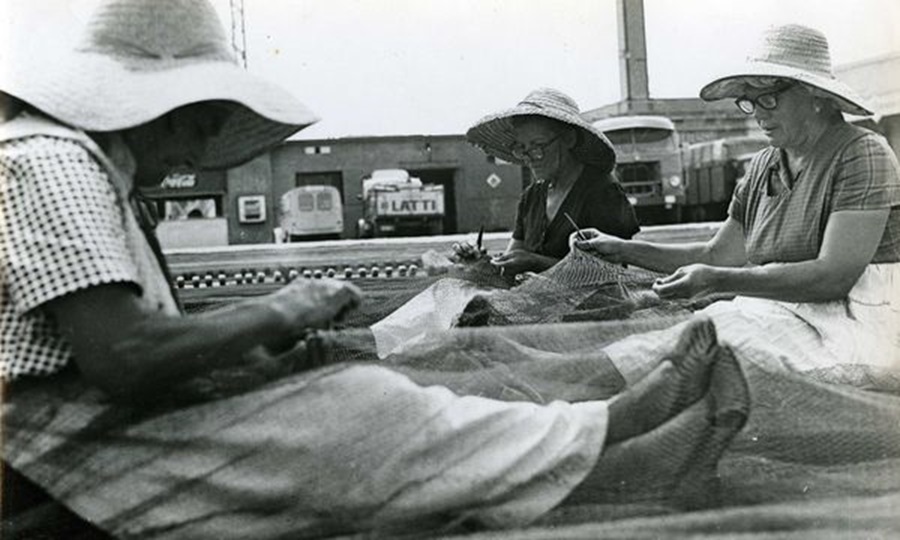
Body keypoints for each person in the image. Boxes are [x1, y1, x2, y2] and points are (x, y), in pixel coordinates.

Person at [0, 1, 748, 537]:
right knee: (365, 411)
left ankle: (602, 445)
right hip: (74, 438)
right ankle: (613, 433)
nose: (198, 153)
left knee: (362, 398)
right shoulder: (56, 164)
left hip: (102, 419)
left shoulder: (85, 166)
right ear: (154, 102)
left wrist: (260, 350)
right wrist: (280, 311)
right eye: (200, 124)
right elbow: (124, 357)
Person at [571, 23, 900, 386]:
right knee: (691, 338)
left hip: (853, 329)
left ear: (813, 94)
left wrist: (716, 282)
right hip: (778, 313)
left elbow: (833, 277)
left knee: (704, 345)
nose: (758, 114)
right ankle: (564, 383)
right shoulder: (764, 165)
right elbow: (716, 255)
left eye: (769, 99)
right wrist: (621, 249)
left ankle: (562, 385)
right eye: (750, 102)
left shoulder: (862, 154)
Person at [457, 88, 639, 276]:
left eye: (538, 146)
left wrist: (534, 262)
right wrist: (481, 261)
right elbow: (512, 258)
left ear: (569, 138)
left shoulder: (603, 190)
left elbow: (610, 272)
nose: (530, 158)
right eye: (522, 149)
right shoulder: (532, 195)